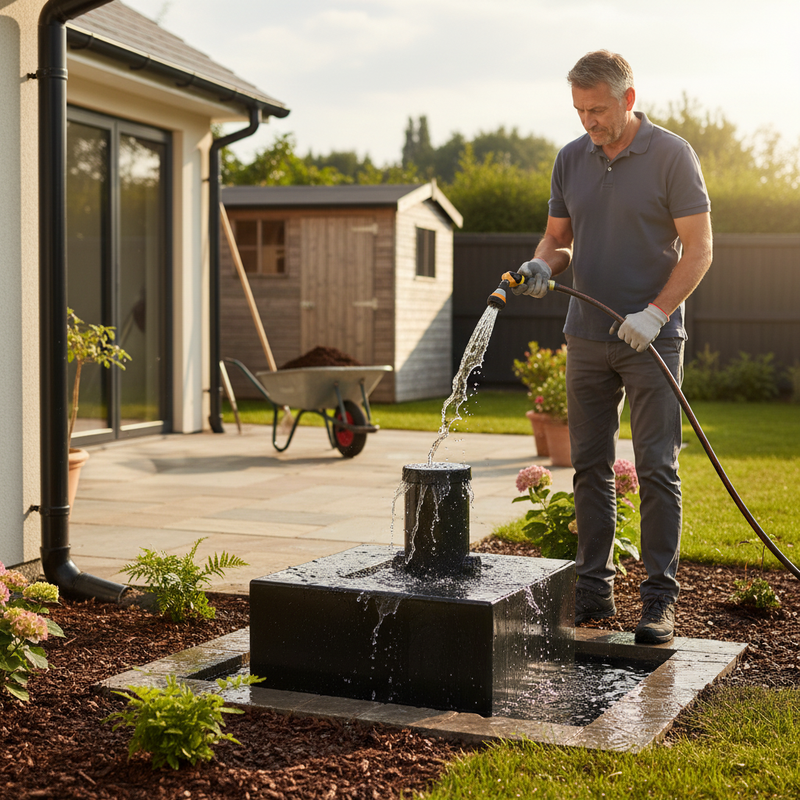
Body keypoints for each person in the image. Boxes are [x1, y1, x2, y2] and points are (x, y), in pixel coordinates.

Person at [513, 50, 713, 644]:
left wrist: (656, 313)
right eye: (578, 110)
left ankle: (659, 603)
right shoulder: (571, 158)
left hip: (652, 338)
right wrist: (541, 264)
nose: (587, 122)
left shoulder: (673, 155)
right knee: (589, 467)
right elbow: (557, 240)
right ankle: (594, 593)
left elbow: (699, 250)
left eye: (597, 109)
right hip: (586, 336)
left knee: (656, 466)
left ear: (628, 99)